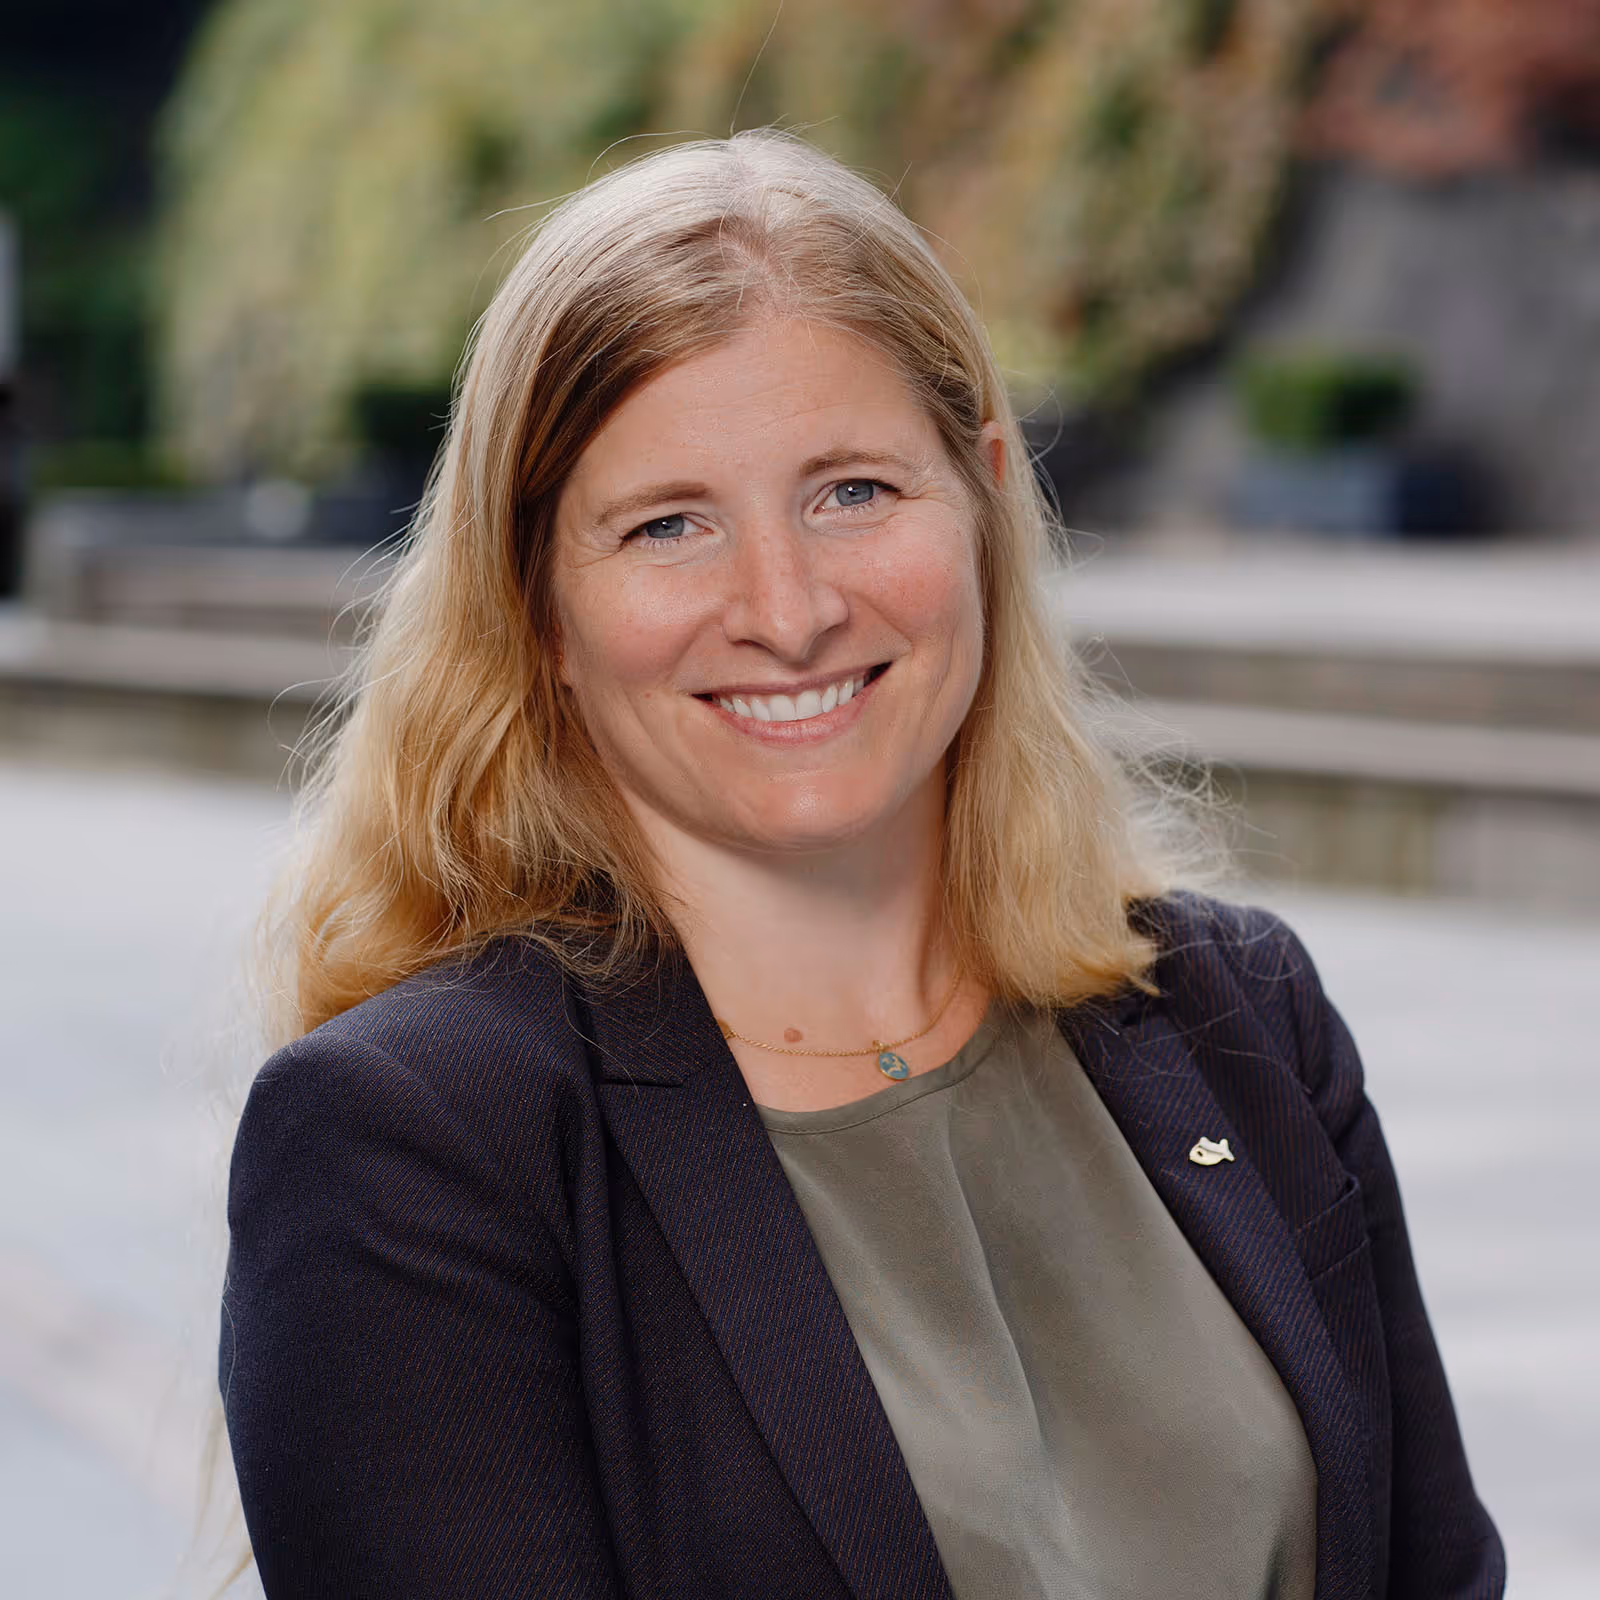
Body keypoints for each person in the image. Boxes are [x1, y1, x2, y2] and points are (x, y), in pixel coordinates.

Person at [218, 129, 1504, 1598]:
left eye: (852, 493)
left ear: (984, 500)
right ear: (540, 612)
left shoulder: (1241, 1015)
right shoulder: (419, 1145)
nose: (788, 607)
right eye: (668, 525)